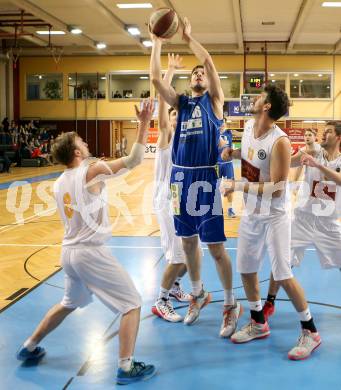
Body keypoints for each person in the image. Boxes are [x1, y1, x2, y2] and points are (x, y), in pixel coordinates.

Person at [16, 100, 156, 385]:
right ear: (78, 152)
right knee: (131, 303)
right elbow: (133, 160)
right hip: (89, 254)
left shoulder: (58, 183)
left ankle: (29, 345)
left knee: (68, 303)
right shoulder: (89, 171)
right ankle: (126, 367)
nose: (85, 143)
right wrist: (144, 123)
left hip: (68, 254)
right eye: (81, 141)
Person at [151, 18, 241, 337]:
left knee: (215, 247)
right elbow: (154, 79)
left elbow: (208, 61)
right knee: (187, 243)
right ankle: (198, 292)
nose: (199, 74)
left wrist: (189, 38)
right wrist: (157, 41)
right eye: (195, 74)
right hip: (178, 181)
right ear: (189, 83)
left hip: (204, 179)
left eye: (200, 72)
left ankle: (231, 304)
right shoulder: (183, 103)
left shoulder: (213, 102)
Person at [222, 85, 320, 360]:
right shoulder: (251, 128)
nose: (254, 98)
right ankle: (258, 323)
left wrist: (238, 186)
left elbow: (277, 187)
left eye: (260, 97)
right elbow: (252, 157)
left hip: (275, 216)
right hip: (252, 213)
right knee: (246, 267)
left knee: (283, 274)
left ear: (267, 107)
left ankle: (310, 331)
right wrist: (233, 154)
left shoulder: (280, 141)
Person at [263, 121, 341, 322]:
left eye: (329, 132)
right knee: (282, 259)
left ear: (338, 138)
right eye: (323, 132)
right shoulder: (312, 152)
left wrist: (319, 166)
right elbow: (290, 162)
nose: (324, 135)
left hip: (328, 223)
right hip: (303, 219)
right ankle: (269, 302)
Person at [152, 53, 191, 323]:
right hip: (166, 200)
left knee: (191, 255)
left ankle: (175, 289)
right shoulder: (167, 135)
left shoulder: (188, 139)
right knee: (178, 257)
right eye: (173, 113)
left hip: (183, 200)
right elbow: (162, 109)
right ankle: (161, 300)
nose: (176, 117)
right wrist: (170, 72)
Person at [218, 119, 237, 218]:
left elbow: (241, 134)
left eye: (222, 123)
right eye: (219, 123)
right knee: (214, 187)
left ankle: (230, 209)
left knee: (229, 187)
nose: (221, 125)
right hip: (216, 164)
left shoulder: (229, 132)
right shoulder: (213, 133)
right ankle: (216, 207)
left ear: (225, 123)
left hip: (228, 164)